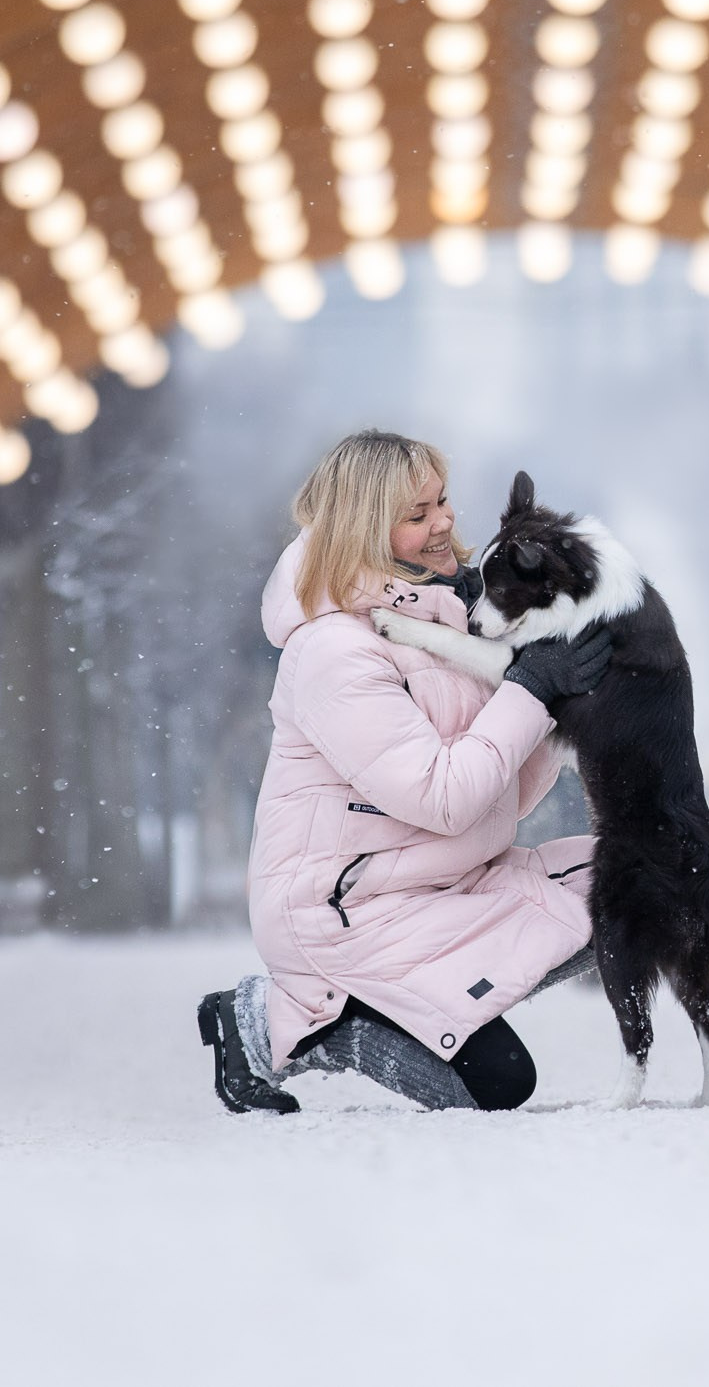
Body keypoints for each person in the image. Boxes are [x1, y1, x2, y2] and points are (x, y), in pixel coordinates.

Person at [198, 430, 612, 1113]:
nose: (444, 522)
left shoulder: (443, 624)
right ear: (365, 533)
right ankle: (298, 1023)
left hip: (441, 882)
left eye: (441, 501)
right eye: (417, 515)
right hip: (346, 915)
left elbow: (496, 798)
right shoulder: (335, 653)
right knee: (498, 1085)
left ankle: (429, 1006)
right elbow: (444, 800)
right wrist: (532, 691)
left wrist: (561, 703)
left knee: (639, 880)